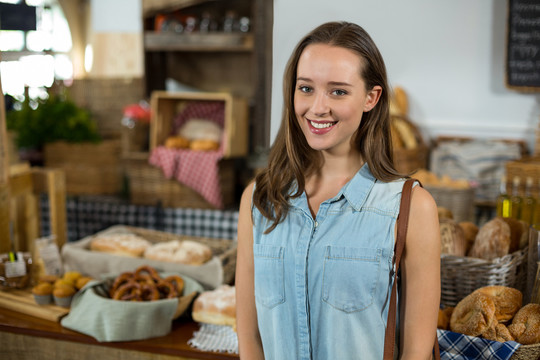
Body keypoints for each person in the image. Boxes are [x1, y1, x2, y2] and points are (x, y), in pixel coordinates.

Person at [235, 21, 440, 360]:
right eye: (306, 88)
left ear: (371, 98)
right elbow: (250, 340)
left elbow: (416, 353)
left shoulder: (412, 207)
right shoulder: (259, 200)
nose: (317, 108)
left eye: (338, 91)